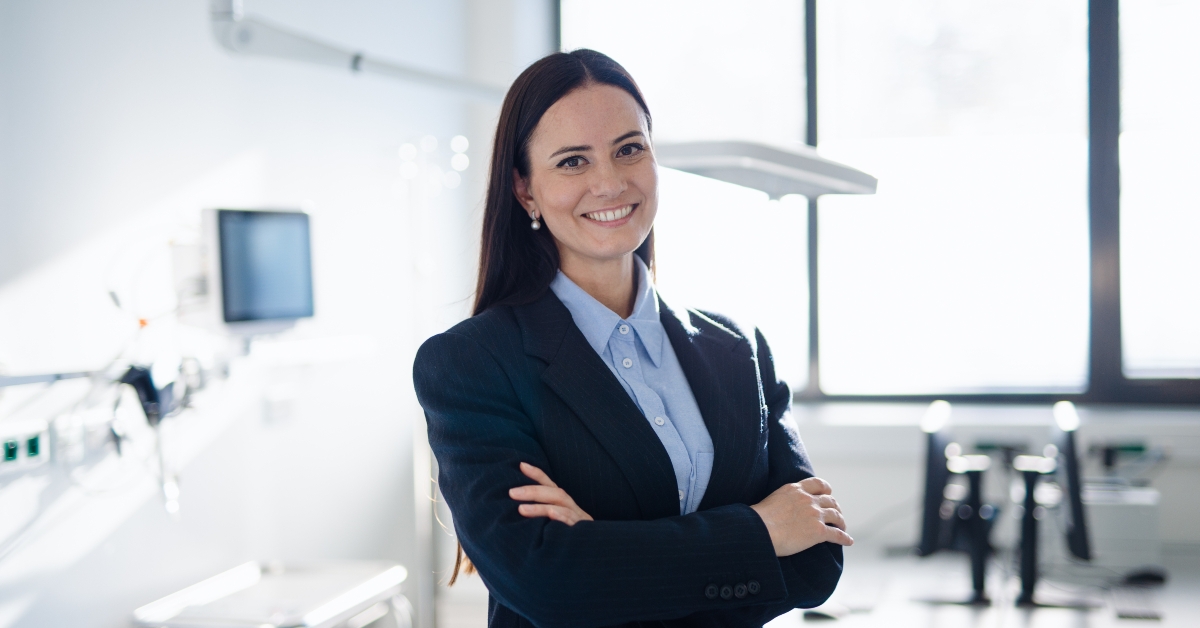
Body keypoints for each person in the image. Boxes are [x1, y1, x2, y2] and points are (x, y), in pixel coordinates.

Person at [413, 49, 851, 628]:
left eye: (629, 149)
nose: (609, 182)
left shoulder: (738, 349)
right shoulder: (472, 363)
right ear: (525, 191)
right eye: (572, 161)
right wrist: (762, 531)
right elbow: (548, 582)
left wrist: (609, 553)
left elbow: (818, 561)